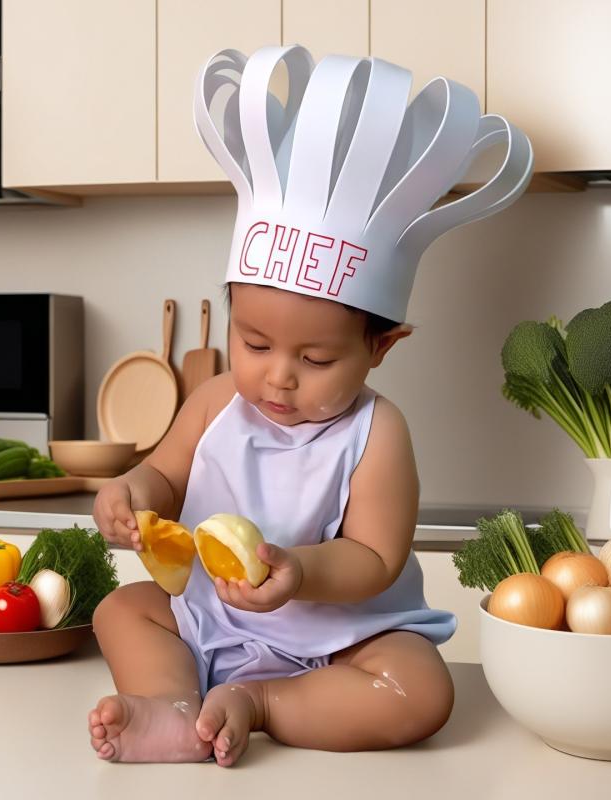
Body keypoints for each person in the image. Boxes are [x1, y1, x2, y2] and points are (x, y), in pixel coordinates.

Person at [87, 44, 532, 767]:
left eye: (316, 359)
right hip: (217, 616)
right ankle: (172, 711)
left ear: (381, 347)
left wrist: (299, 571)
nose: (278, 379)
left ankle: (258, 704)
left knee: (421, 690)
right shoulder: (212, 402)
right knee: (121, 610)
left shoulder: (377, 433)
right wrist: (129, 493)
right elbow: (162, 478)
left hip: (339, 640)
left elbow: (376, 557)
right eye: (254, 343)